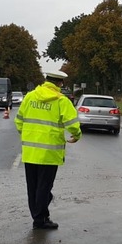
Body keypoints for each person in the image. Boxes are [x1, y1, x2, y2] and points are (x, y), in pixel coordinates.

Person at [15, 70, 82, 229]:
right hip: (50, 153)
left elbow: (18, 121)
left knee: (33, 188)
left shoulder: (30, 97)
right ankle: (40, 219)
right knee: (44, 187)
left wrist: (28, 136)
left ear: (46, 80)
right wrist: (77, 135)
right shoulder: (61, 101)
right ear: (60, 83)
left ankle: (39, 215)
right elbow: (72, 124)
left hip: (30, 152)